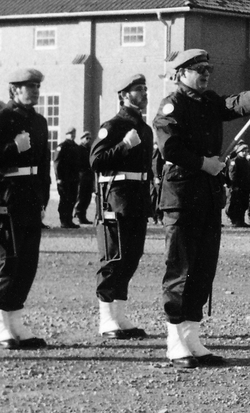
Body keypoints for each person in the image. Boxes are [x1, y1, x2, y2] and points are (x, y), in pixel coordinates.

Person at [152, 48, 250, 368]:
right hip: (182, 197)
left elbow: (234, 103)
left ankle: (192, 339)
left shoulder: (208, 101)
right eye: (198, 69)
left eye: (208, 68)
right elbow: (169, 146)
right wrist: (204, 163)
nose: (205, 73)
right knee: (182, 269)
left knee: (203, 270)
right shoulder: (173, 105)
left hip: (208, 197)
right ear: (180, 73)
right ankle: (175, 342)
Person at [0, 68, 52, 350]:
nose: (35, 91)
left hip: (30, 198)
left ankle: (16, 323)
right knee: (8, 260)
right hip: (6, 198)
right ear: (14, 90)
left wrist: (43, 197)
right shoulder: (1, 118)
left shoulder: (39, 121)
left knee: (27, 262)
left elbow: (43, 162)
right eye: (30, 87)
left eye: (37, 87)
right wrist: (11, 148)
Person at [89, 73, 154, 340]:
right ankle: (106, 319)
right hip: (115, 199)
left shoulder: (145, 128)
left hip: (137, 199)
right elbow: (96, 160)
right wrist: (124, 146)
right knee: (114, 257)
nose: (144, 93)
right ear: (123, 96)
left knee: (131, 256)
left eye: (145, 89)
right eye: (138, 89)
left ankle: (119, 315)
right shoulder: (113, 126)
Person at [55, 128, 83, 228]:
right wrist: (58, 178)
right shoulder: (62, 146)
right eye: (70, 133)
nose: (72, 135)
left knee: (72, 199)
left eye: (73, 133)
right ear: (66, 134)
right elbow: (57, 163)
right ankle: (63, 220)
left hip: (73, 178)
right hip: (64, 178)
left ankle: (69, 220)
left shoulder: (76, 147)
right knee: (64, 199)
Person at [223, 143, 250, 227]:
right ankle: (235, 220)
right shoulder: (234, 161)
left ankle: (241, 220)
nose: (244, 153)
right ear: (239, 152)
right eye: (243, 151)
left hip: (244, 186)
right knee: (236, 204)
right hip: (238, 187)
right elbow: (232, 174)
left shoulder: (246, 161)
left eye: (246, 151)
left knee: (244, 204)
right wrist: (234, 185)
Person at [74, 131, 94, 225]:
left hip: (89, 176)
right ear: (82, 138)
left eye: (90, 138)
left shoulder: (90, 149)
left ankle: (83, 215)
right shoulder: (78, 149)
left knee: (87, 197)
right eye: (86, 138)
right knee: (81, 196)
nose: (88, 140)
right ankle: (78, 214)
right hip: (81, 176)